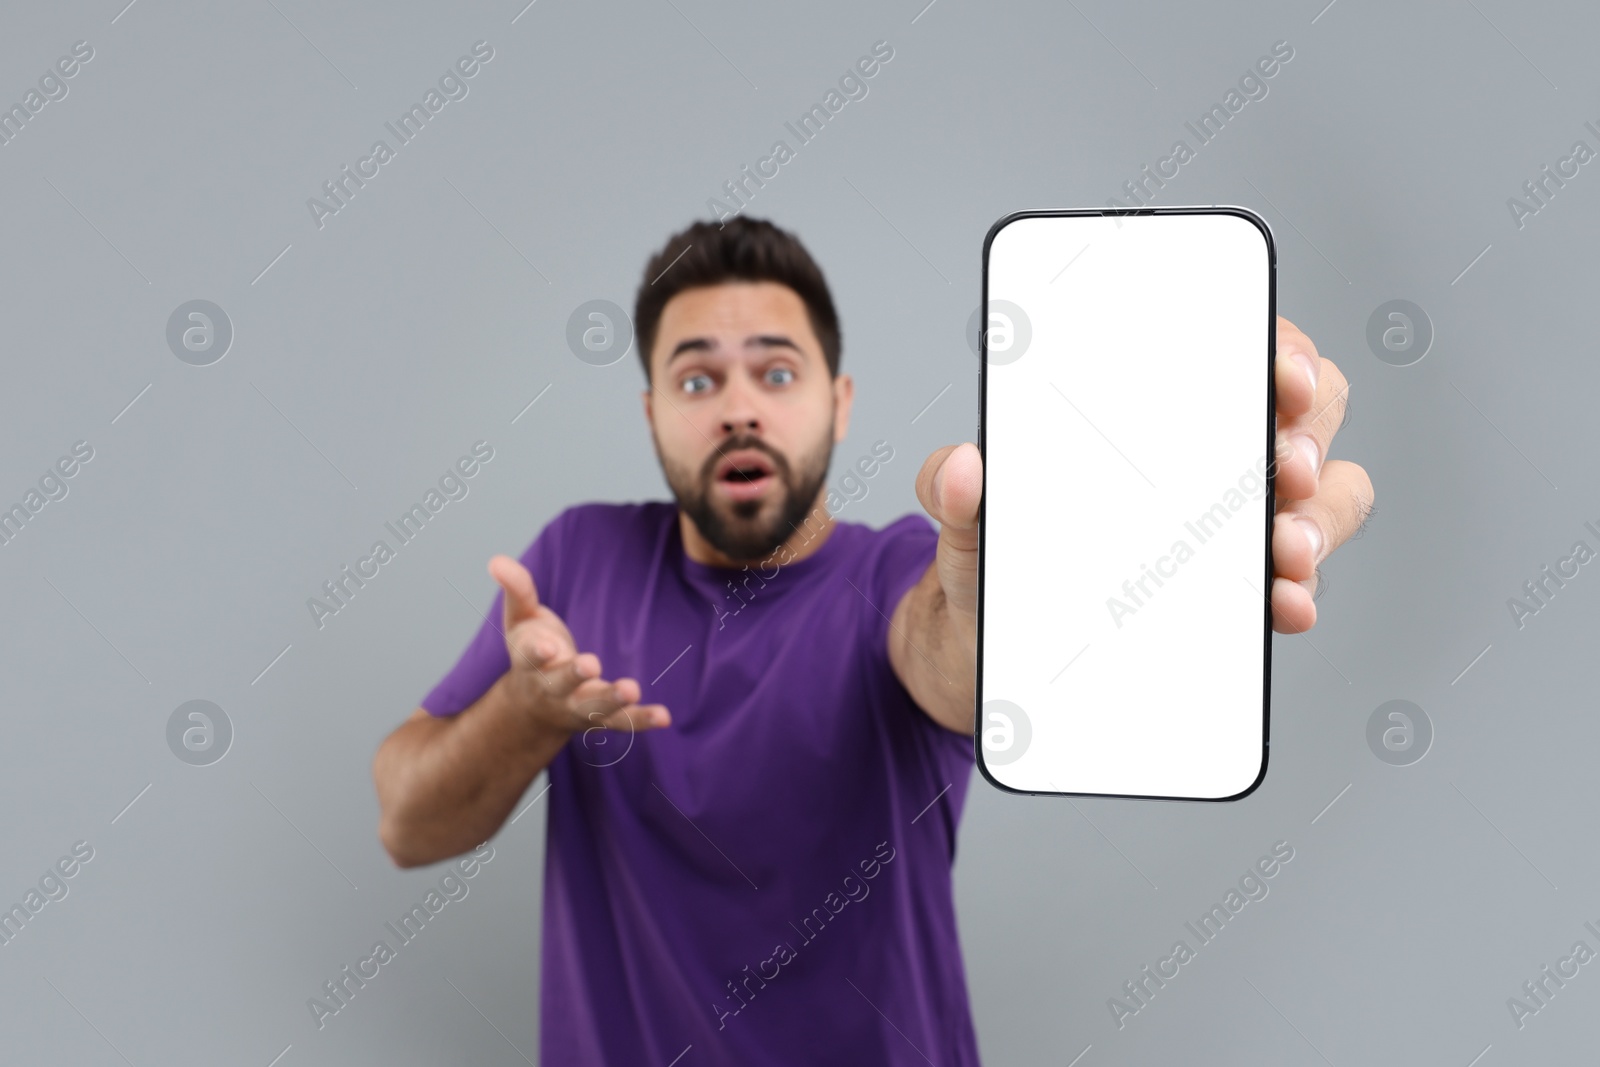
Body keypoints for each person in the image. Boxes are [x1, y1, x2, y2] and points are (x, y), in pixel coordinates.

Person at [370, 216, 1373, 1064]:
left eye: (775, 369)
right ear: (648, 413)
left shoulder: (893, 571)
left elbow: (946, 651)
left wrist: (1022, 605)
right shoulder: (578, 556)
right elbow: (410, 825)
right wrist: (525, 708)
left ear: (838, 403)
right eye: (694, 380)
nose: (738, 409)